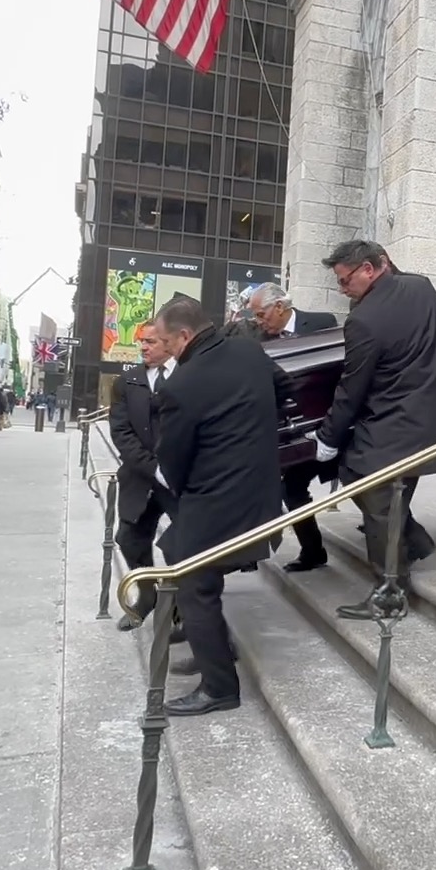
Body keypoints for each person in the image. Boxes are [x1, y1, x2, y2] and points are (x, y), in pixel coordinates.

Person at [312, 240, 436, 617]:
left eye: (345, 280)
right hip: (425, 418)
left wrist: (328, 436)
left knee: (379, 504)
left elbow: (352, 387)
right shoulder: (420, 286)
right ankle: (414, 539)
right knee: (353, 475)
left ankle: (390, 594)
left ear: (368, 269)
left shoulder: (363, 320)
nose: (342, 289)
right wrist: (432, 376)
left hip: (391, 425)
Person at [151, 297, 283, 715]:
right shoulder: (249, 351)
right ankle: (215, 646)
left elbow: (172, 459)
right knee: (175, 551)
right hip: (258, 487)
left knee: (193, 583)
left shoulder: (181, 385)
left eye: (166, 342)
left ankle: (219, 688)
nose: (165, 349)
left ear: (184, 336)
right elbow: (285, 387)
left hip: (214, 496)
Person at [242, 283, 339, 572]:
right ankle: (311, 551)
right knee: (289, 489)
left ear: (280, 307)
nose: (259, 321)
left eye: (261, 314)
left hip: (329, 424)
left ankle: (409, 540)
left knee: (364, 484)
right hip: (286, 429)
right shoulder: (259, 340)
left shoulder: (323, 323)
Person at [108, 323, 173, 632]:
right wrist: (152, 468)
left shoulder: (186, 376)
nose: (144, 347)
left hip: (179, 478)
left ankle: (183, 608)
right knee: (128, 537)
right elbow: (121, 432)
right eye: (142, 342)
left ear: (169, 342)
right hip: (140, 474)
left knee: (184, 544)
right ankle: (147, 595)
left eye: (151, 341)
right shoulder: (127, 382)